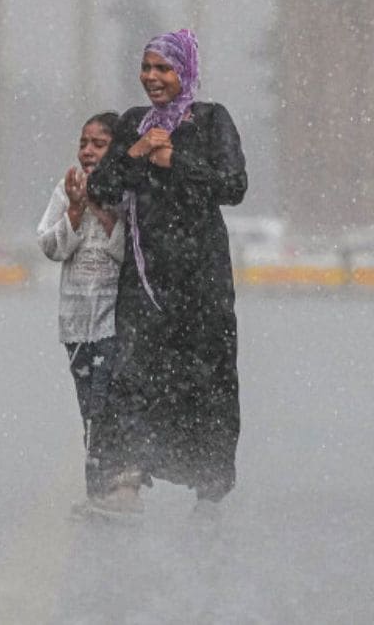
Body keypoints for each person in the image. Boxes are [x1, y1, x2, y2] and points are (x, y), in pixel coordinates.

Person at [84, 28, 247, 520]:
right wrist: (135, 154)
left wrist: (175, 160)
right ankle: (126, 482)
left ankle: (209, 492)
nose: (152, 77)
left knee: (207, 383)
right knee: (133, 378)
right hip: (145, 282)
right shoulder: (134, 124)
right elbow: (105, 187)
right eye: (147, 67)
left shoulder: (211, 120)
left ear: (186, 72)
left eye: (164, 68)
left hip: (201, 283)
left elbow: (233, 185)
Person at [36, 112, 126, 502]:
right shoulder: (65, 189)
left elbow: (129, 251)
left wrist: (100, 207)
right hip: (75, 324)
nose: (88, 151)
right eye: (84, 143)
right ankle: (98, 490)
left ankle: (112, 485)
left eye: (99, 144)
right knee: (89, 409)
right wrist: (74, 209)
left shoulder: (127, 192)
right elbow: (51, 247)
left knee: (106, 406)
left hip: (114, 322)